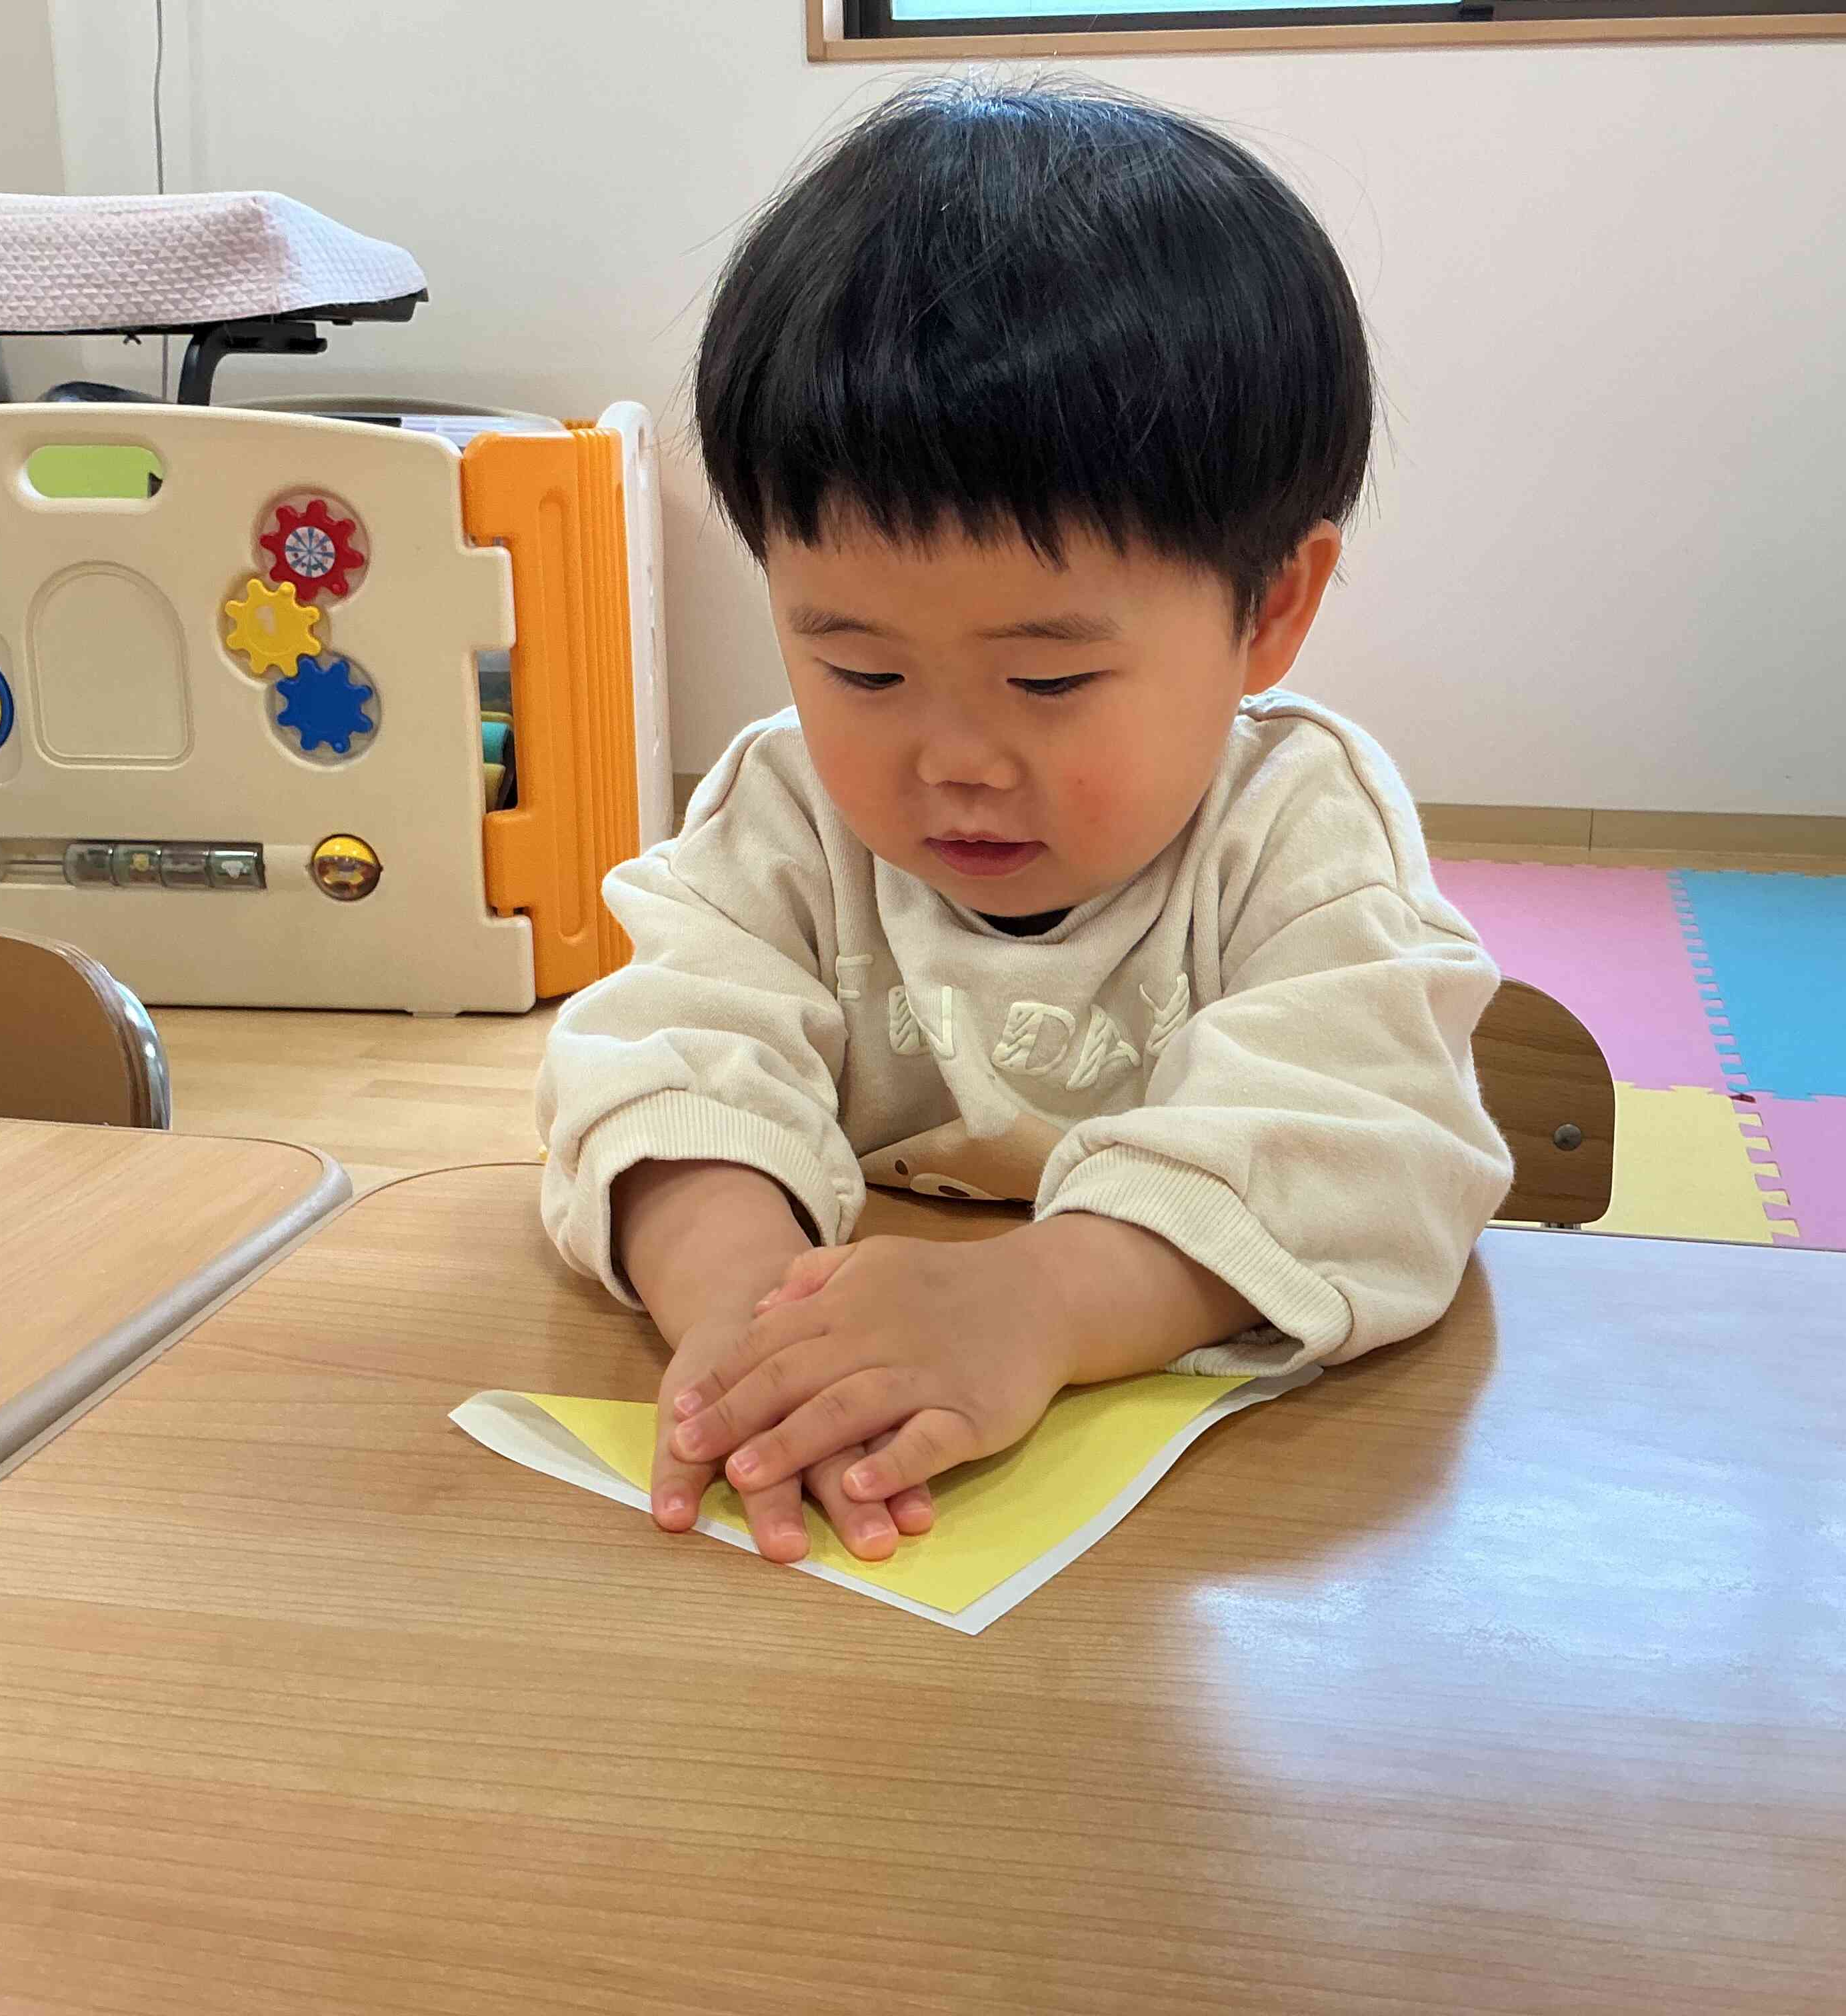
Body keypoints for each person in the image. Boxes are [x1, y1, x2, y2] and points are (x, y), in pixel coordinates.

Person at [535, 76, 1513, 1567]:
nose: (956, 762)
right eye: (860, 670)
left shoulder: (1293, 832)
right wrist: (742, 1306)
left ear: (1272, 609)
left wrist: (1040, 1302)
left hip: (1206, 1533)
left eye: (1048, 680)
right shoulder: (786, 815)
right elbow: (663, 1065)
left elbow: (1367, 1150)